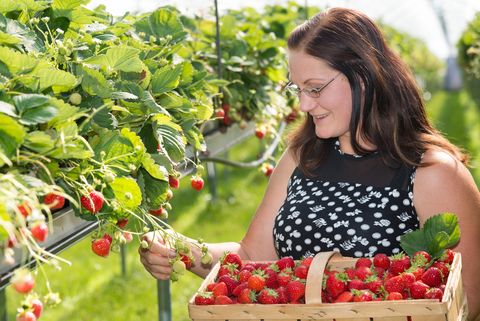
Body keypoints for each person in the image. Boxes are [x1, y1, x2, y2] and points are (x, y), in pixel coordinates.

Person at [139, 7, 480, 320]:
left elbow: (469, 297)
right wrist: (182, 249)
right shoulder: (302, 158)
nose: (303, 104)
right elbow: (252, 255)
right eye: (297, 88)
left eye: (314, 89)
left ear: (363, 77)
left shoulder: (431, 173)